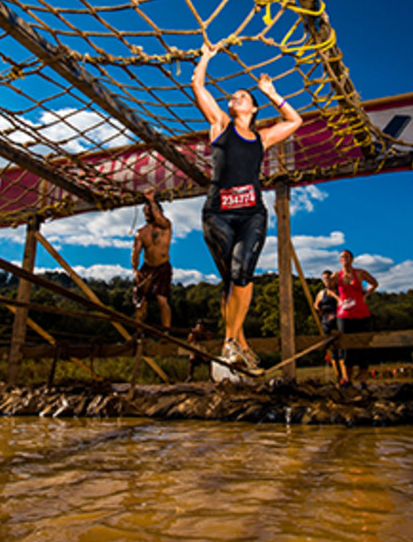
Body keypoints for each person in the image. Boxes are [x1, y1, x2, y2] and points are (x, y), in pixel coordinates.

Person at [192, 41, 302, 372]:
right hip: (218, 213)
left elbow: (294, 120)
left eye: (242, 96)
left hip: (252, 213)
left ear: (253, 108)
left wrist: (271, 92)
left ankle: (229, 343)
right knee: (230, 279)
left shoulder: (262, 137)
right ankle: (240, 343)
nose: (235, 98)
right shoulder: (220, 125)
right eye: (233, 96)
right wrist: (205, 58)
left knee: (242, 274)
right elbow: (197, 85)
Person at [131, 188, 172, 330]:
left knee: (162, 300)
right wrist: (135, 270)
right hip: (147, 268)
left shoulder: (166, 226)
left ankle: (166, 332)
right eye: (146, 211)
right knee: (140, 302)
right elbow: (135, 253)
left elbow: (159, 217)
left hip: (163, 266)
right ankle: (138, 331)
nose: (147, 213)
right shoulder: (141, 233)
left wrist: (151, 200)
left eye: (150, 210)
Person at [335, 249, 378, 384]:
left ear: (352, 259)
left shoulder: (360, 273)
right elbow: (328, 286)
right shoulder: (337, 275)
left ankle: (363, 380)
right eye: (342, 257)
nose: (344, 259)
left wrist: (365, 296)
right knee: (347, 348)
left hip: (361, 313)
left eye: (347, 257)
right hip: (344, 314)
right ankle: (347, 380)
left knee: (362, 346)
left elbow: (374, 283)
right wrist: (338, 298)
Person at [314, 269, 345, 382]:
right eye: (324, 279)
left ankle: (345, 377)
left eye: (329, 278)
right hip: (326, 322)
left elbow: (343, 303)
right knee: (332, 351)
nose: (327, 280)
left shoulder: (338, 291)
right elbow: (316, 305)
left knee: (341, 349)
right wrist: (320, 312)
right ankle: (338, 377)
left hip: (339, 320)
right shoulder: (321, 294)